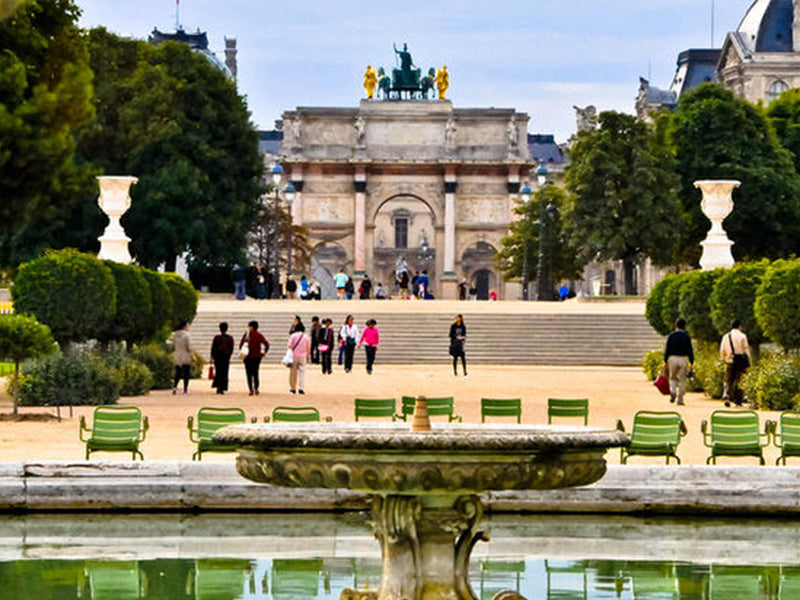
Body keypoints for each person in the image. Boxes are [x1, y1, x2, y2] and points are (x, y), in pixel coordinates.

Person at [720, 319, 751, 407]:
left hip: (729, 360)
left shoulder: (726, 336)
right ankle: (738, 401)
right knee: (739, 380)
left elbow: (722, 350)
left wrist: (723, 359)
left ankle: (727, 396)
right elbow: (746, 350)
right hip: (740, 361)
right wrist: (749, 360)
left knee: (728, 380)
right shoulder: (743, 336)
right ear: (739, 326)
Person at [664, 318, 694, 406]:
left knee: (672, 377)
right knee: (682, 380)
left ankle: (673, 391)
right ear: (684, 326)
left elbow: (667, 348)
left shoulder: (671, 335)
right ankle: (680, 399)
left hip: (672, 358)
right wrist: (692, 361)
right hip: (684, 358)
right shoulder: (686, 336)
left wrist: (665, 360)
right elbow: (690, 350)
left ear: (675, 325)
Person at [240, 320, 270, 396]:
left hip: (248, 357)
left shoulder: (247, 335)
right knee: (256, 373)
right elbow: (266, 344)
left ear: (251, 327)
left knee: (249, 373)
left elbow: (241, 345)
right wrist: (264, 352)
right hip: (257, 357)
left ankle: (250, 389)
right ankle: (256, 388)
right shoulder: (259, 335)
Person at [210, 322, 234, 394]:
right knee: (224, 372)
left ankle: (218, 386)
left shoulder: (217, 338)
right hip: (225, 357)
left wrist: (212, 356)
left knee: (218, 372)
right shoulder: (230, 338)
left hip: (218, 357)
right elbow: (231, 348)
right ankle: (223, 387)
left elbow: (213, 348)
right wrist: (228, 355)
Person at [287, 321, 310, 394]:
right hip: (303, 356)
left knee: (293, 372)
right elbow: (308, 348)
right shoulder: (306, 337)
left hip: (294, 356)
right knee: (302, 373)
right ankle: (301, 388)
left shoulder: (293, 336)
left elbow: (289, 346)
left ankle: (293, 388)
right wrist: (307, 356)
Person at [172, 320, 193, 394]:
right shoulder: (187, 335)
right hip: (185, 355)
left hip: (177, 355)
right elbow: (189, 346)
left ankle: (174, 387)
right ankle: (185, 389)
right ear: (184, 326)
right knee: (186, 373)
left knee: (178, 372)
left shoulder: (175, 335)